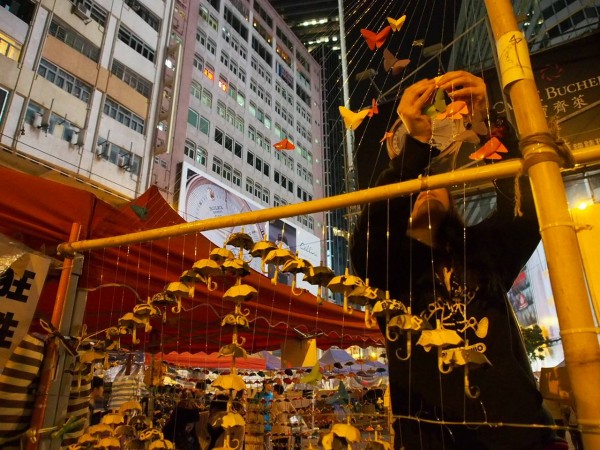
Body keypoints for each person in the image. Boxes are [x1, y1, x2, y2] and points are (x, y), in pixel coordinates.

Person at [350, 71, 567, 450]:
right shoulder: (391, 269)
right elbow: (368, 239)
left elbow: (527, 209)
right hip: (429, 435)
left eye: (436, 185)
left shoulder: (484, 251)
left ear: (455, 204)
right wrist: (416, 144)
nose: (426, 189)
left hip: (518, 433)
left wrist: (487, 128)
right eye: (416, 190)